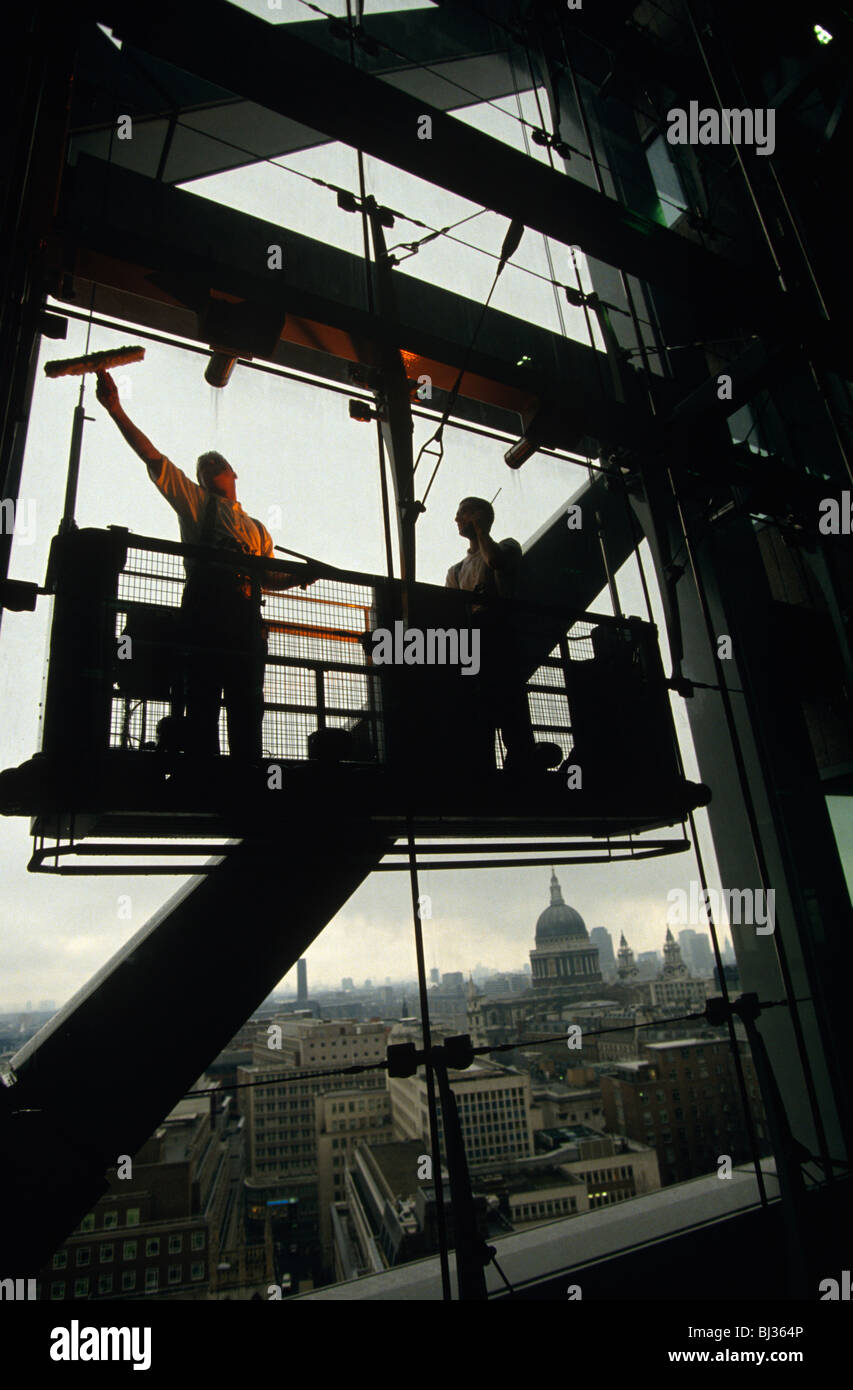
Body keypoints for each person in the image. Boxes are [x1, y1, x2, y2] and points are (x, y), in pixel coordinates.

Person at [96, 369, 304, 761]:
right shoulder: (195, 503)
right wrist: (116, 410)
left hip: (240, 620)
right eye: (202, 467)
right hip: (211, 619)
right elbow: (152, 458)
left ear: (232, 473)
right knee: (205, 699)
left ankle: (243, 771)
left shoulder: (257, 528)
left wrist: (298, 577)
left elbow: (268, 576)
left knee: (243, 702)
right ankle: (211, 772)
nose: (207, 466)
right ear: (200, 480)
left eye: (214, 463)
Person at [446, 497, 560, 773]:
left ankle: (518, 765)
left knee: (509, 707)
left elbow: (496, 561)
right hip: (476, 640)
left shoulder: (507, 546)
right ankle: (490, 767)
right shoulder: (455, 570)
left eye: (463, 513)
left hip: (497, 636)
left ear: (479, 516)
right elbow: (449, 609)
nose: (457, 519)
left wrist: (482, 531)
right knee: (485, 705)